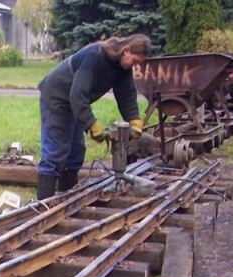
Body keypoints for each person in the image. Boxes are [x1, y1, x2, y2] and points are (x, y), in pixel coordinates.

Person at [35, 34, 152, 200]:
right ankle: (42, 207)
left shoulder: (122, 68)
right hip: (57, 98)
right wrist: (92, 124)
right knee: (55, 153)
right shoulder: (95, 56)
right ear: (126, 50)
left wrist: (134, 119)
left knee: (75, 153)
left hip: (74, 102)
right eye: (135, 61)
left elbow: (127, 95)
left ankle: (66, 200)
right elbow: (77, 95)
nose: (135, 66)